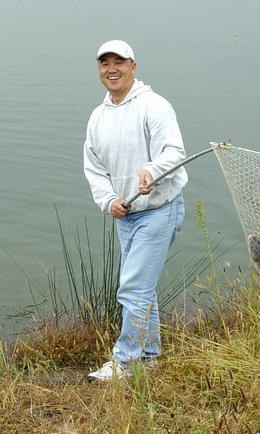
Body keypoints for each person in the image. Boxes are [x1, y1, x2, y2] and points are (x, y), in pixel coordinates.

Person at [84, 40, 187, 381]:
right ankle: (149, 357)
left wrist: (152, 171)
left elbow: (173, 152)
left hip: (159, 211)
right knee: (142, 288)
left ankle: (125, 363)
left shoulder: (154, 106)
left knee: (132, 289)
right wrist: (109, 200)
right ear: (99, 69)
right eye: (105, 63)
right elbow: (94, 168)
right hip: (125, 216)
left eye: (119, 61)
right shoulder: (98, 116)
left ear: (133, 66)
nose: (112, 68)